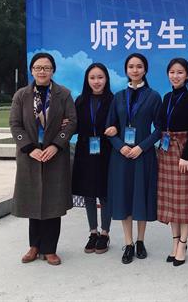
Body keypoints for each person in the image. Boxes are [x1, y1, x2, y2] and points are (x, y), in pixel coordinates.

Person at [10, 52, 77, 266]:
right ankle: (34, 246)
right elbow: (15, 124)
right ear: (32, 70)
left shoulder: (63, 94)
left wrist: (56, 145)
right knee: (33, 200)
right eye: (38, 67)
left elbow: (72, 122)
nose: (42, 71)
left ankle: (50, 249)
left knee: (52, 202)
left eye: (46, 68)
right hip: (30, 155)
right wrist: (29, 148)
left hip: (54, 155)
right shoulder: (22, 95)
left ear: (53, 71)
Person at [107, 53, 162, 264]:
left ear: (145, 70)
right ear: (126, 70)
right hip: (121, 157)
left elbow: (159, 129)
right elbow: (110, 128)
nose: (135, 70)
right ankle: (128, 243)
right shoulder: (118, 97)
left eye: (139, 66)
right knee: (125, 197)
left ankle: (140, 241)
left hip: (143, 155)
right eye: (131, 66)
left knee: (141, 197)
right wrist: (120, 146)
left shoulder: (153, 96)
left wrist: (142, 147)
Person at [156, 58, 188, 267]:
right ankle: (174, 242)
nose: (175, 76)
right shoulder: (166, 97)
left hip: (183, 150)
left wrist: (185, 155)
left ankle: (183, 243)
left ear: (187, 75)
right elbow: (160, 122)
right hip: (166, 151)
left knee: (184, 200)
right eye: (172, 72)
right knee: (171, 200)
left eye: (180, 72)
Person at [71, 63, 116, 254]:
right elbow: (74, 126)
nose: (96, 81)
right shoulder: (81, 100)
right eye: (92, 78)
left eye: (100, 77)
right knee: (88, 193)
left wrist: (116, 128)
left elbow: (120, 123)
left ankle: (105, 233)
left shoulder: (114, 100)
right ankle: (93, 232)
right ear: (87, 80)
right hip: (85, 152)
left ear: (106, 79)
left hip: (106, 152)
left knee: (104, 194)